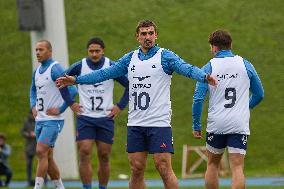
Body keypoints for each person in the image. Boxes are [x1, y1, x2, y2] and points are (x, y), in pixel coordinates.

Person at [56, 20, 218, 189]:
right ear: (137, 37)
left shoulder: (165, 56)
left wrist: (204, 76)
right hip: (135, 123)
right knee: (136, 168)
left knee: (163, 166)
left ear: (156, 35)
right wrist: (76, 79)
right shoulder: (130, 58)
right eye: (143, 33)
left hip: (158, 122)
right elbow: (104, 74)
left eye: (150, 33)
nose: (147, 37)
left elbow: (187, 68)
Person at [191, 29, 264, 189]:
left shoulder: (208, 67)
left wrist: (196, 125)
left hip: (217, 123)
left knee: (212, 165)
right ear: (230, 45)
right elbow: (259, 94)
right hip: (238, 123)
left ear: (214, 47)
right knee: (237, 167)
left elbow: (198, 99)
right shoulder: (245, 64)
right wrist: (245, 107)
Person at [59, 37, 129, 189]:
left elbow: (130, 85)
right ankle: (87, 187)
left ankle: (102, 187)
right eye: (91, 51)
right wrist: (71, 104)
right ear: (87, 51)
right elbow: (61, 82)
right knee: (84, 151)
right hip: (86, 117)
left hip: (105, 117)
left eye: (97, 51)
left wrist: (119, 106)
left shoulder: (111, 66)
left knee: (104, 155)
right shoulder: (79, 66)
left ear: (103, 51)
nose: (94, 54)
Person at [30, 40, 80, 189]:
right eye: (36, 50)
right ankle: (60, 187)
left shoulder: (55, 69)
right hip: (40, 119)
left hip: (53, 121)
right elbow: (32, 90)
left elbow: (73, 90)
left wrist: (61, 109)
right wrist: (33, 105)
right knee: (48, 156)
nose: (38, 52)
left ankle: (37, 187)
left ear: (50, 52)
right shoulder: (37, 71)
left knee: (40, 151)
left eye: (41, 49)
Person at [21, 111, 37, 186]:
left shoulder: (39, 121)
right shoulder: (26, 122)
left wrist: (36, 134)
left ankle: (44, 181)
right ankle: (29, 181)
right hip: (29, 147)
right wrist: (28, 134)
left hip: (38, 146)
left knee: (42, 163)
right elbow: (22, 132)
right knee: (29, 165)